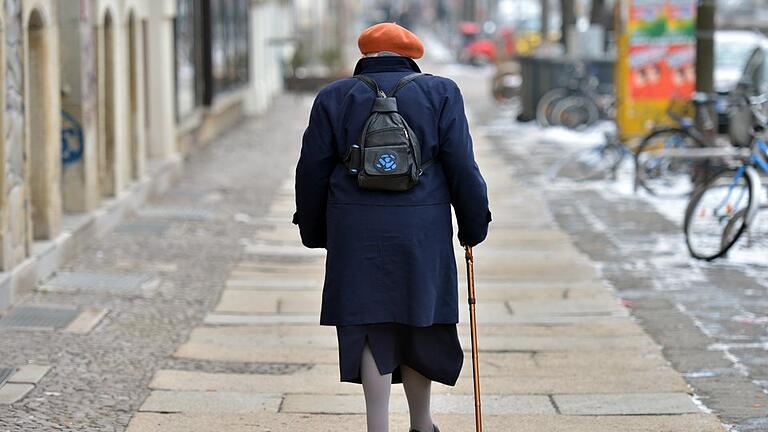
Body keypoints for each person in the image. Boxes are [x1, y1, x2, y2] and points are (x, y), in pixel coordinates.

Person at [293, 22, 491, 432]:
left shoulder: (333, 96)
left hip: (355, 228)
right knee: (420, 320)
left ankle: (377, 426)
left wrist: (315, 231)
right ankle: (422, 424)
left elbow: (310, 171)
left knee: (369, 324)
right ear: (411, 56)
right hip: (422, 227)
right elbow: (461, 165)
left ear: (365, 55)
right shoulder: (440, 92)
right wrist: (473, 224)